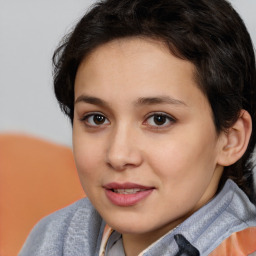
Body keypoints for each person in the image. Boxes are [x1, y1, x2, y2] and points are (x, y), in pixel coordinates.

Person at [19, 0, 256, 255]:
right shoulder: (56, 236)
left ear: (231, 138)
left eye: (159, 119)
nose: (118, 156)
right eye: (97, 118)